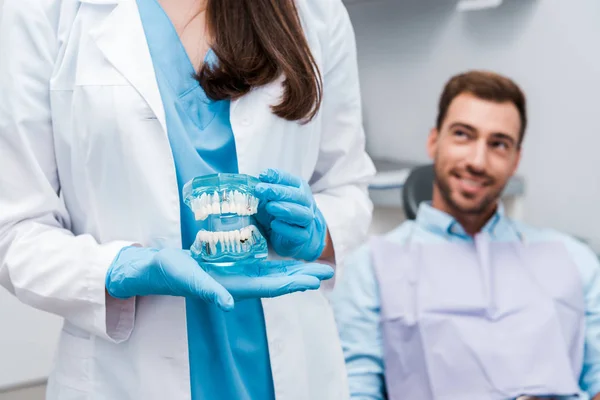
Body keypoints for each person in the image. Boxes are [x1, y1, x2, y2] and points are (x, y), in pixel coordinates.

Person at [0, 0, 376, 398]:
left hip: (289, 367)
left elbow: (347, 185)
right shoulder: (40, 12)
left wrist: (319, 230)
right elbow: (14, 228)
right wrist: (120, 268)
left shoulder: (315, 11)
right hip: (128, 374)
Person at [330, 70, 600, 400]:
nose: (477, 160)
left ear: (516, 160)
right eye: (463, 135)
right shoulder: (371, 269)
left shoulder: (575, 262)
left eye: (498, 144)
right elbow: (356, 392)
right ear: (434, 141)